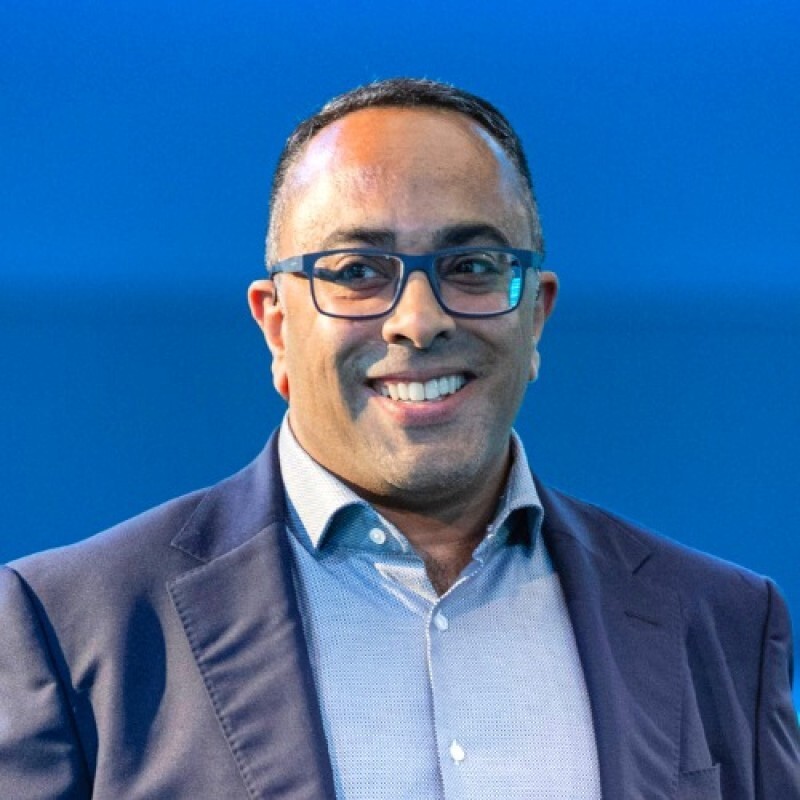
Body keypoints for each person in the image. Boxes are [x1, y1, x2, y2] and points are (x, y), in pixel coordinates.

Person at [0, 78, 797, 799]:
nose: (419, 320)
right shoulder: (70, 630)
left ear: (536, 314)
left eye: (473, 265)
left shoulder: (725, 624)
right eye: (356, 272)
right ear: (275, 326)